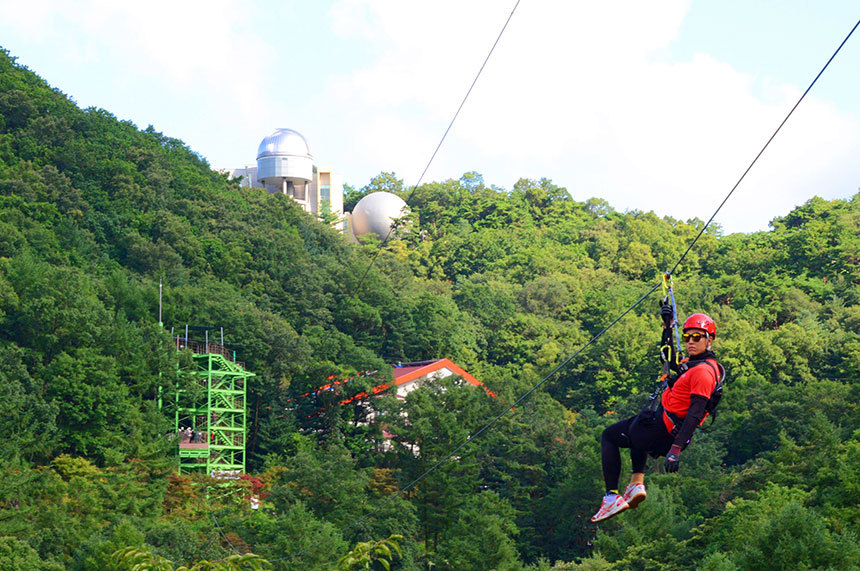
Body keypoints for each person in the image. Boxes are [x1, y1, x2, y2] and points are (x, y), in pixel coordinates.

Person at [591, 311, 723, 523]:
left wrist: (676, 450)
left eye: (697, 337)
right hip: (663, 428)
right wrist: (668, 326)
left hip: (663, 433)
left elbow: (695, 413)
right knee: (637, 428)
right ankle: (636, 484)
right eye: (688, 337)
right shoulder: (695, 364)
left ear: (710, 340)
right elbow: (669, 359)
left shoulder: (703, 373)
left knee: (610, 435)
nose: (690, 341)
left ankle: (611, 496)